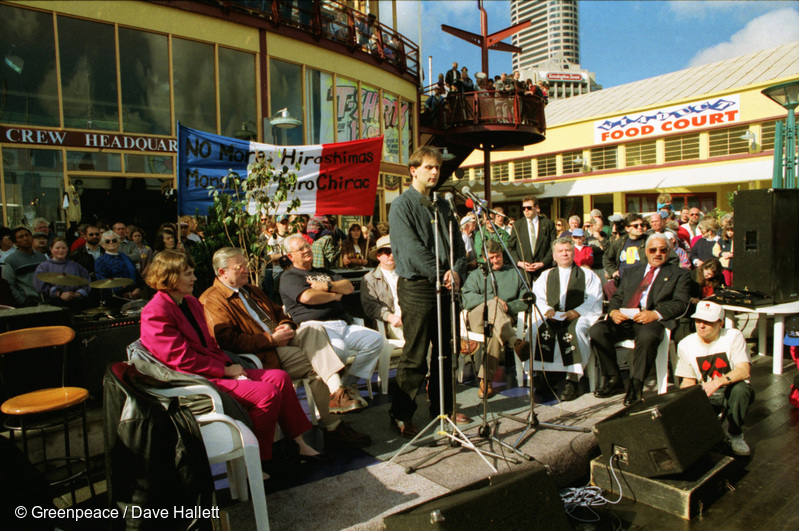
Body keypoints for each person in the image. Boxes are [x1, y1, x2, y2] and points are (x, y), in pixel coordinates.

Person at [140, 250, 321, 464]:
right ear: (169, 277)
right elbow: (181, 360)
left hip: (213, 369)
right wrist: (226, 370)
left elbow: (209, 345)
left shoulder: (190, 303)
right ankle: (258, 459)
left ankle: (299, 444)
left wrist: (230, 366)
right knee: (267, 393)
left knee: (279, 378)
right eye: (188, 274)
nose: (194, 278)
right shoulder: (156, 311)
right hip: (193, 380)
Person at [200, 247, 370, 449]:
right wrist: (270, 339)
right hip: (262, 352)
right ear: (222, 272)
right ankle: (334, 424)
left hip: (282, 341)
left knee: (313, 327)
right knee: (316, 365)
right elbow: (227, 341)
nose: (246, 269)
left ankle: (337, 394)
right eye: (241, 267)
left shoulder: (252, 290)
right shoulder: (212, 299)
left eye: (245, 265)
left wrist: (286, 325)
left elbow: (281, 313)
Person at [388, 146, 468, 437]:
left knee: (446, 352)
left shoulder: (444, 205)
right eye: (429, 167)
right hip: (418, 288)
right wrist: (442, 271)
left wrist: (457, 270)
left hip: (446, 286)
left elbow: (458, 245)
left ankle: (443, 409)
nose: (435, 172)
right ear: (414, 170)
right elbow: (410, 249)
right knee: (415, 355)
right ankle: (401, 413)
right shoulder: (401, 206)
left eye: (437, 168)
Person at [279, 234, 383, 402]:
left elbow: (348, 287)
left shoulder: (324, 272)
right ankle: (334, 396)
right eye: (301, 249)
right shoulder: (290, 276)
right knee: (339, 349)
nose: (306, 250)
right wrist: (334, 296)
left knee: (375, 340)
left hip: (343, 324)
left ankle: (347, 386)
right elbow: (307, 297)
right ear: (290, 256)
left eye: (307, 246)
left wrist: (327, 285)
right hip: (316, 329)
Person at [590, 233, 690, 407]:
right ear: (646, 251)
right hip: (627, 318)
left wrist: (655, 314)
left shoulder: (679, 274)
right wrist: (613, 311)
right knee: (597, 331)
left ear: (669, 251)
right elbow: (617, 296)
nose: (657, 253)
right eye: (653, 250)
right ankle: (614, 379)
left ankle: (636, 385)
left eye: (663, 250)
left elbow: (680, 303)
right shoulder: (631, 272)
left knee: (646, 337)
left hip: (651, 321)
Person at [676, 301, 754, 456]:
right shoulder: (686, 344)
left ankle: (736, 434)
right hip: (706, 393)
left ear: (720, 323)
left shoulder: (733, 336)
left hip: (730, 389)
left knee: (741, 390)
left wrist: (717, 382)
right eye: (698, 320)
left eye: (707, 322)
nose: (701, 325)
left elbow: (744, 371)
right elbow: (688, 381)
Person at [530, 238, 603, 401]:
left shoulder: (587, 274)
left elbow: (594, 298)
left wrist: (576, 312)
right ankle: (546, 376)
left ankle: (573, 380)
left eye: (568, 250)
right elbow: (538, 297)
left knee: (576, 331)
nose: (564, 253)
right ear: (554, 256)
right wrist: (547, 310)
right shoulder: (546, 275)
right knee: (535, 330)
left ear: (574, 253)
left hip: (578, 315)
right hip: (552, 315)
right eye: (560, 251)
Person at [462, 240, 531, 399]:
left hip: (503, 320)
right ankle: (515, 342)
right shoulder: (477, 275)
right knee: (493, 304)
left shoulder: (515, 273)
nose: (495, 260)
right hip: (478, 319)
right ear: (485, 259)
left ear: (503, 255)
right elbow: (466, 299)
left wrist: (508, 306)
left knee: (493, 332)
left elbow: (525, 300)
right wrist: (493, 299)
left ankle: (485, 381)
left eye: (498, 256)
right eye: (491, 257)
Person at [361, 235, 404, 341]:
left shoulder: (405, 274)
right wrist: (390, 317)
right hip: (390, 322)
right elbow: (371, 307)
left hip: (411, 316)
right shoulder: (369, 279)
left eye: (394, 250)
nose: (392, 255)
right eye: (387, 252)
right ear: (378, 256)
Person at [508, 195, 556, 285]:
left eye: (529, 208)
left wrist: (543, 263)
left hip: (543, 270)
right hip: (524, 272)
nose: (526, 210)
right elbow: (511, 248)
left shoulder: (548, 224)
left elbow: (553, 246)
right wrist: (519, 263)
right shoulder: (517, 225)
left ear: (537, 208)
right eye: (524, 208)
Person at [33, 237, 91, 308]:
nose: (61, 250)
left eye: (64, 248)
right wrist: (59, 294)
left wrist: (77, 294)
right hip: (53, 304)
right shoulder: (43, 267)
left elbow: (87, 282)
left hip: (76, 302)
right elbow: (40, 287)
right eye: (57, 248)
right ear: (51, 249)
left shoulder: (76, 266)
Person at [2, 227, 46, 307]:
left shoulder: (41, 257)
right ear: (15, 243)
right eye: (21, 237)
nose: (25, 238)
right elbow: (10, 285)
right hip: (27, 303)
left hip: (45, 300)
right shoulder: (10, 260)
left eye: (27, 235)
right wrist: (23, 301)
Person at [94, 230, 142, 299]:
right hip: (115, 298)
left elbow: (137, 276)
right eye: (107, 241)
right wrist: (122, 292)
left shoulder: (126, 257)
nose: (111, 243)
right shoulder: (100, 261)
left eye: (114, 240)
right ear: (103, 245)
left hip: (134, 295)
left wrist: (138, 289)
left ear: (118, 242)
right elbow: (103, 282)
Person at [603, 213, 647, 285]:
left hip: (643, 281)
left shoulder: (649, 241)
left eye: (641, 225)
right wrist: (613, 272)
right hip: (623, 282)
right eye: (636, 226)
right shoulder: (619, 243)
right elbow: (607, 258)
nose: (640, 227)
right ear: (627, 228)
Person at [713, 218, 734, 285]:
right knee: (726, 282)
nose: (730, 233)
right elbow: (715, 251)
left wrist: (732, 254)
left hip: (734, 265)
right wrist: (722, 254)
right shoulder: (722, 240)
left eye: (732, 231)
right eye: (728, 230)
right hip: (725, 266)